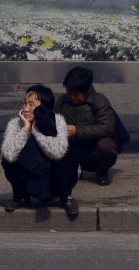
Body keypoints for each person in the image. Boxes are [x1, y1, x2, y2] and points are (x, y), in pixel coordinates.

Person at [55, 66, 119, 216]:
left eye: (76, 94)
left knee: (107, 146)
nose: (72, 97)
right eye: (70, 93)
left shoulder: (100, 101)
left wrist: (77, 131)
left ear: (87, 89)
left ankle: (102, 171)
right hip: (70, 149)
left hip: (92, 149)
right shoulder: (62, 102)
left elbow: (107, 127)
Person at [1, 85, 68, 211]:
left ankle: (65, 198)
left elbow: (57, 153)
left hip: (51, 180)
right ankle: (21, 197)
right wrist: (26, 129)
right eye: (25, 103)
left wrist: (36, 130)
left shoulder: (57, 122)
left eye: (31, 104)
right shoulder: (15, 124)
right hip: (27, 176)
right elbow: (10, 155)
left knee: (67, 158)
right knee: (6, 160)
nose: (26, 109)